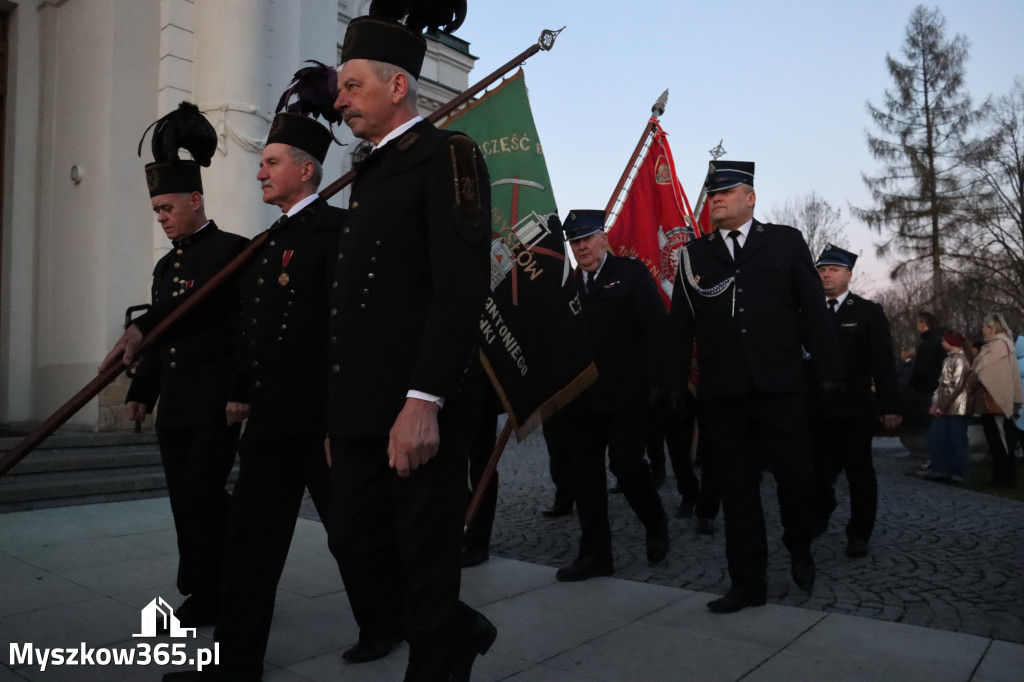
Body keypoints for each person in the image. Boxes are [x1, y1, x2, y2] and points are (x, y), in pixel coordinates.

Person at [326, 12, 496, 682]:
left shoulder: (447, 157)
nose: (339, 100)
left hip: (413, 405)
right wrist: (338, 416)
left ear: (398, 87)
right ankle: (458, 630)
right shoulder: (371, 173)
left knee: (426, 557)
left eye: (351, 85)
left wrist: (423, 400)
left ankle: (438, 661)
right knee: (353, 539)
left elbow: (458, 289)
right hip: (361, 410)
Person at [163, 87, 346, 682]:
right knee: (249, 549)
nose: (259, 171)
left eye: (270, 161)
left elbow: (350, 335)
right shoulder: (267, 245)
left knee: (361, 541)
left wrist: (339, 417)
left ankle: (448, 624)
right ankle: (236, 665)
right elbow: (231, 318)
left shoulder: (338, 233)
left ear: (306, 169)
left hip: (319, 424)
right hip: (270, 426)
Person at [667, 161, 843, 614]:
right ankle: (748, 583)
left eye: (726, 191)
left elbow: (813, 311)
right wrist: (671, 384)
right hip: (723, 392)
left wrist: (827, 372)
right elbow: (679, 326)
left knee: (797, 478)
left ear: (751, 198)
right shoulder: (694, 255)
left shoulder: (784, 241)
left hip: (780, 386)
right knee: (736, 488)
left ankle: (799, 544)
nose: (716, 199)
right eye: (711, 194)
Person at [118, 103, 246, 628]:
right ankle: (200, 587)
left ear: (196, 200)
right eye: (157, 212)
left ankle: (234, 583)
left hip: (216, 402)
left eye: (168, 207)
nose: (162, 217)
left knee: (203, 496)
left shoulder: (232, 253)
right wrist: (141, 390)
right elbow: (162, 332)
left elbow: (241, 330)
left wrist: (242, 389)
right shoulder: (164, 266)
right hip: (176, 405)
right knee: (182, 502)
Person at [554, 209, 670, 582]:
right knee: (585, 476)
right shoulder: (565, 285)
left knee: (627, 465)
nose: (581, 247)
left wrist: (656, 380)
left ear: (604, 238)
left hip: (626, 395)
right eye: (575, 242)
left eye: (587, 238)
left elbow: (656, 327)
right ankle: (595, 555)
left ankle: (654, 520)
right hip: (580, 399)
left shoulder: (630, 274)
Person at [809, 244, 902, 559]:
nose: (826, 275)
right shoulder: (807, 310)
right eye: (822, 269)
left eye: (833, 270)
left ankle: (859, 533)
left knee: (859, 473)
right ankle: (821, 509)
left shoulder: (867, 311)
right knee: (817, 471)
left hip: (854, 408)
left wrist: (889, 406)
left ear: (849, 275)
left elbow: (883, 362)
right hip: (815, 409)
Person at [968, 313, 1023, 488]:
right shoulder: (1006, 345)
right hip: (1000, 399)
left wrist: (969, 382)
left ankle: (1004, 478)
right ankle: (1004, 476)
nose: (982, 328)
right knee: (1000, 438)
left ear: (993, 327)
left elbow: (981, 371)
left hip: (994, 399)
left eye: (985, 325)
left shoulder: (997, 346)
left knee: (998, 439)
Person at [925, 331, 972, 483]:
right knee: (937, 436)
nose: (942, 343)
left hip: (957, 406)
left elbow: (955, 386)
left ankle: (959, 472)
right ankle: (941, 469)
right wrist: (934, 402)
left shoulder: (961, 360)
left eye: (945, 340)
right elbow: (941, 384)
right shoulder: (948, 359)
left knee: (956, 439)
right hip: (944, 405)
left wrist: (941, 407)